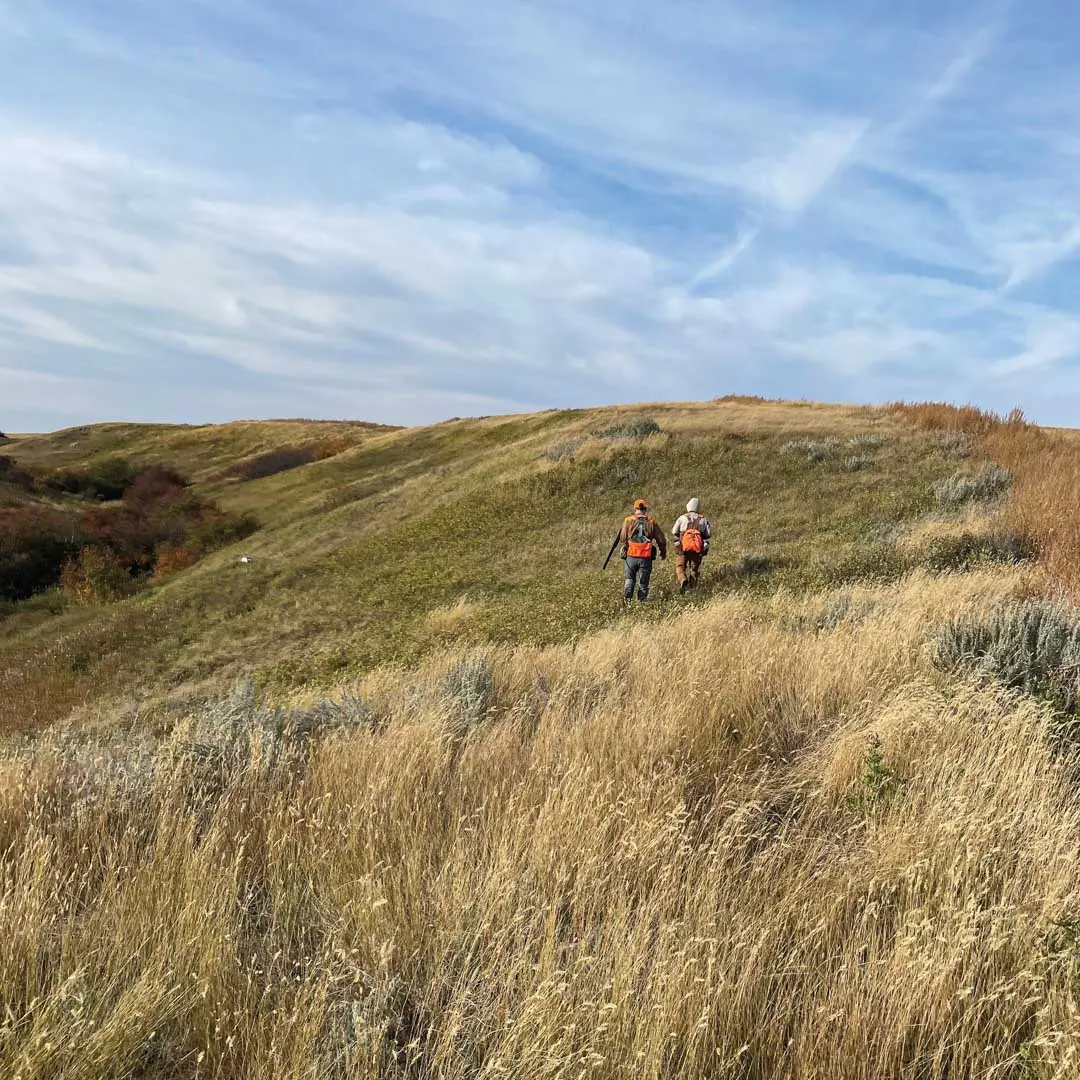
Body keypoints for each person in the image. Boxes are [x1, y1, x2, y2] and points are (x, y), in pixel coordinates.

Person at [619, 498, 666, 604]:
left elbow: (622, 538)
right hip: (645, 556)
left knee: (630, 579)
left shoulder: (628, 520)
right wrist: (663, 552)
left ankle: (628, 598)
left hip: (631, 555)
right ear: (645, 509)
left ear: (635, 509)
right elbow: (661, 539)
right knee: (643, 583)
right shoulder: (651, 521)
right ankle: (641, 604)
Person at [672, 497, 711, 594]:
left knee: (680, 566)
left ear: (688, 506)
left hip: (682, 548)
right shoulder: (703, 519)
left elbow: (674, 531)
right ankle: (692, 589)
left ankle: (682, 580)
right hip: (697, 549)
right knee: (695, 569)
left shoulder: (682, 518)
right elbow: (708, 534)